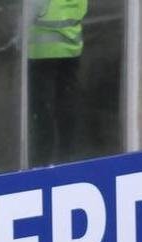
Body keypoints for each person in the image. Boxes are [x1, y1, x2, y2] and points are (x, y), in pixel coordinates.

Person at [27, 0, 86, 167]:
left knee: (41, 109)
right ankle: (67, 155)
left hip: (42, 52)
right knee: (66, 104)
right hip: (70, 45)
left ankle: (41, 160)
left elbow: (29, 12)